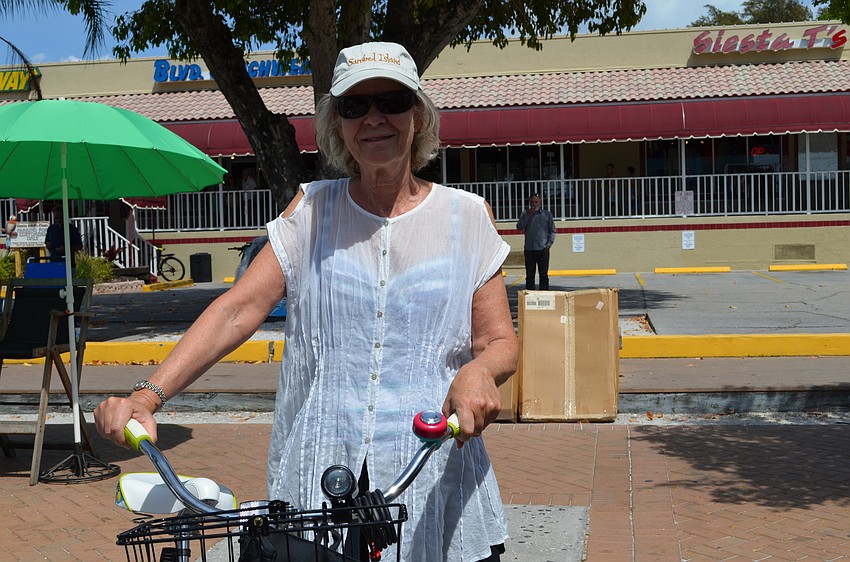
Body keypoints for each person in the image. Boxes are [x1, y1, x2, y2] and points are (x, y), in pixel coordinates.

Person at [94, 41, 518, 562]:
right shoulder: (311, 211)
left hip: (433, 477)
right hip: (318, 482)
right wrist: (148, 396)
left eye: (391, 100)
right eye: (354, 106)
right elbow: (237, 309)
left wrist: (479, 373)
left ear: (419, 114)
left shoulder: (467, 216)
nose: (374, 118)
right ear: (337, 124)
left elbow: (498, 341)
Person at [516, 194, 556, 290]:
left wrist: (548, 245)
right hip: (529, 249)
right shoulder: (525, 214)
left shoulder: (546, 215)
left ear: (540, 202)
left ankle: (544, 295)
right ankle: (530, 296)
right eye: (532, 202)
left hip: (543, 249)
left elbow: (553, 230)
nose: (534, 204)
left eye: (536, 202)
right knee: (530, 275)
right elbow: (519, 227)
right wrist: (527, 216)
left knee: (543, 274)